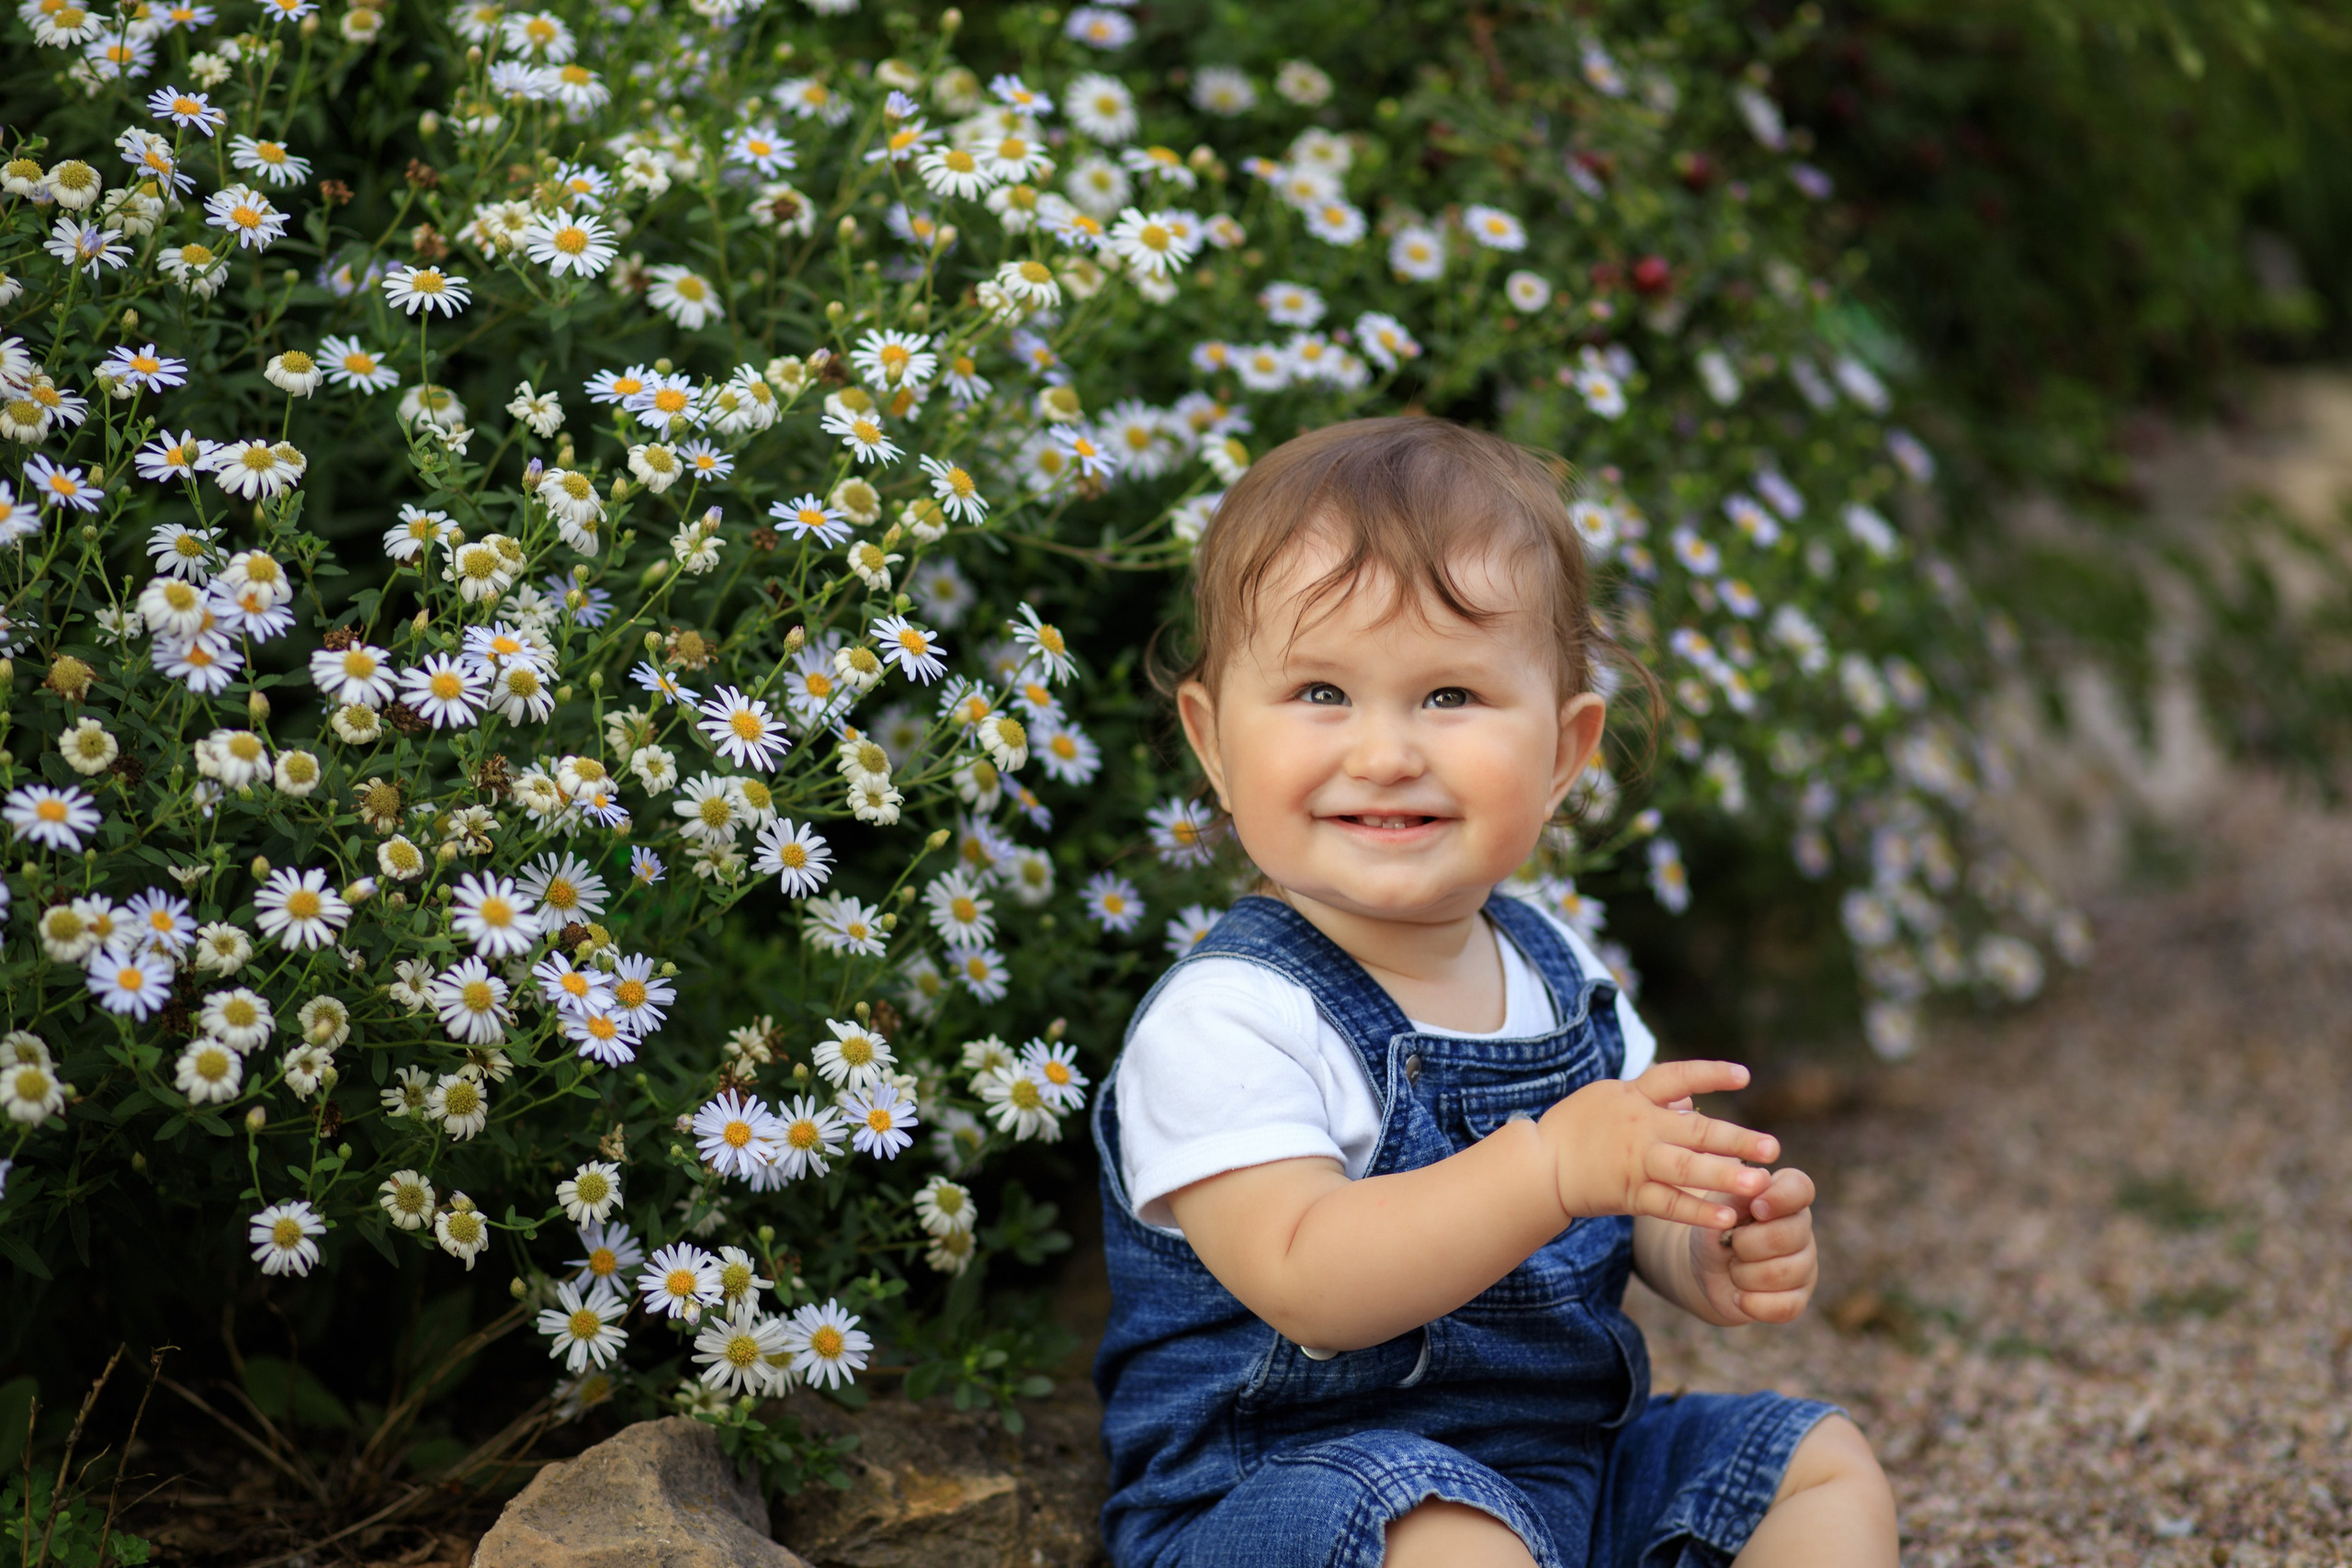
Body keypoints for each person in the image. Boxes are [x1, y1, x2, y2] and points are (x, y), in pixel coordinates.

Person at [1091, 418, 1898, 1568]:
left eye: (1449, 695)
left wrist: (1706, 1245)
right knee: (1446, 1538)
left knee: (1812, 1463)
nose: (1384, 753)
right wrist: (1547, 1169)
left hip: (1562, 1470)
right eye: (1321, 691)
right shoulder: (1229, 1018)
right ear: (1213, 742)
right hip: (1294, 1497)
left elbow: (1634, 1196)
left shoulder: (1558, 970)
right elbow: (1309, 1280)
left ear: (1564, 753)